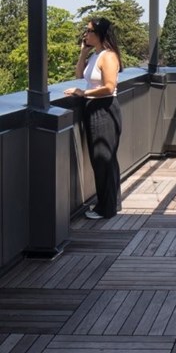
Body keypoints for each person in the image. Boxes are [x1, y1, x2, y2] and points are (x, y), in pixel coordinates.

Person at [64, 18, 124, 220]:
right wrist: (83, 52)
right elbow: (79, 73)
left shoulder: (108, 56)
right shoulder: (96, 55)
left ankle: (105, 209)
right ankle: (111, 203)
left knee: (103, 159)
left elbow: (109, 86)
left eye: (89, 31)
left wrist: (84, 93)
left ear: (100, 34)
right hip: (95, 109)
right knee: (104, 160)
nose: (85, 34)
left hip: (104, 110)